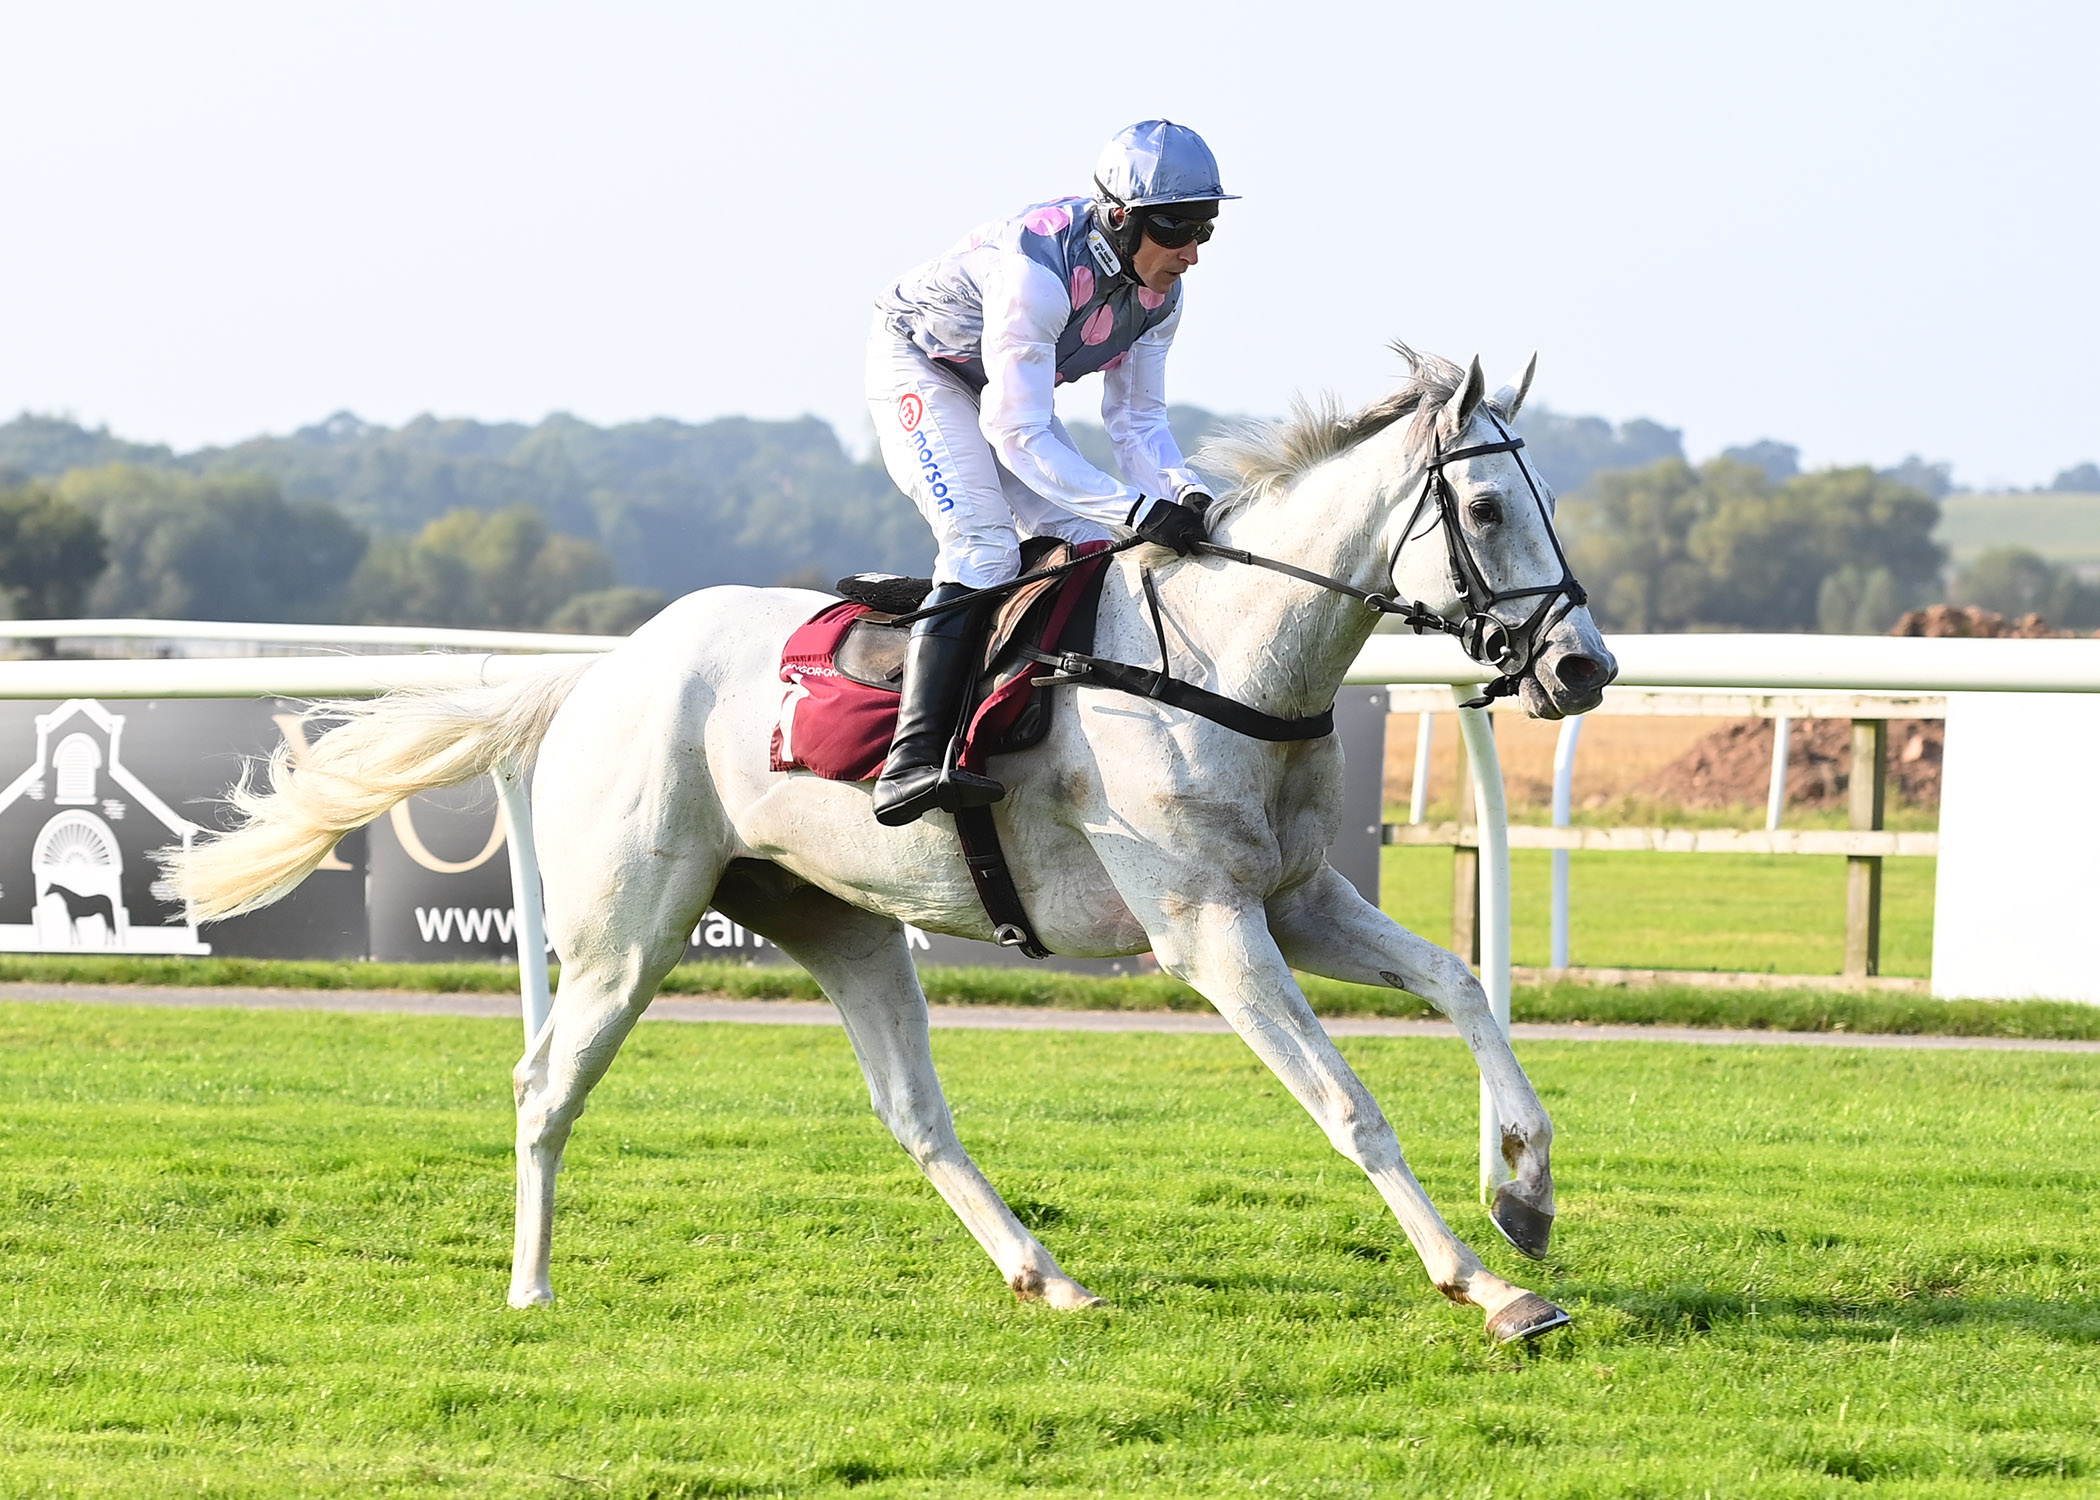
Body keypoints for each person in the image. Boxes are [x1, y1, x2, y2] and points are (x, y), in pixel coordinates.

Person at [865, 119, 1234, 827]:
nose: (1191, 253)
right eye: (1177, 230)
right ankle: (910, 762)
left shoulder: (1161, 294)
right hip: (922, 366)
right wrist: (1137, 511)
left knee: (1087, 543)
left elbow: (1138, 423)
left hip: (999, 388)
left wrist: (1187, 494)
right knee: (983, 545)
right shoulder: (1036, 273)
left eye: (1205, 230)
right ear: (1121, 219)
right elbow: (1018, 432)